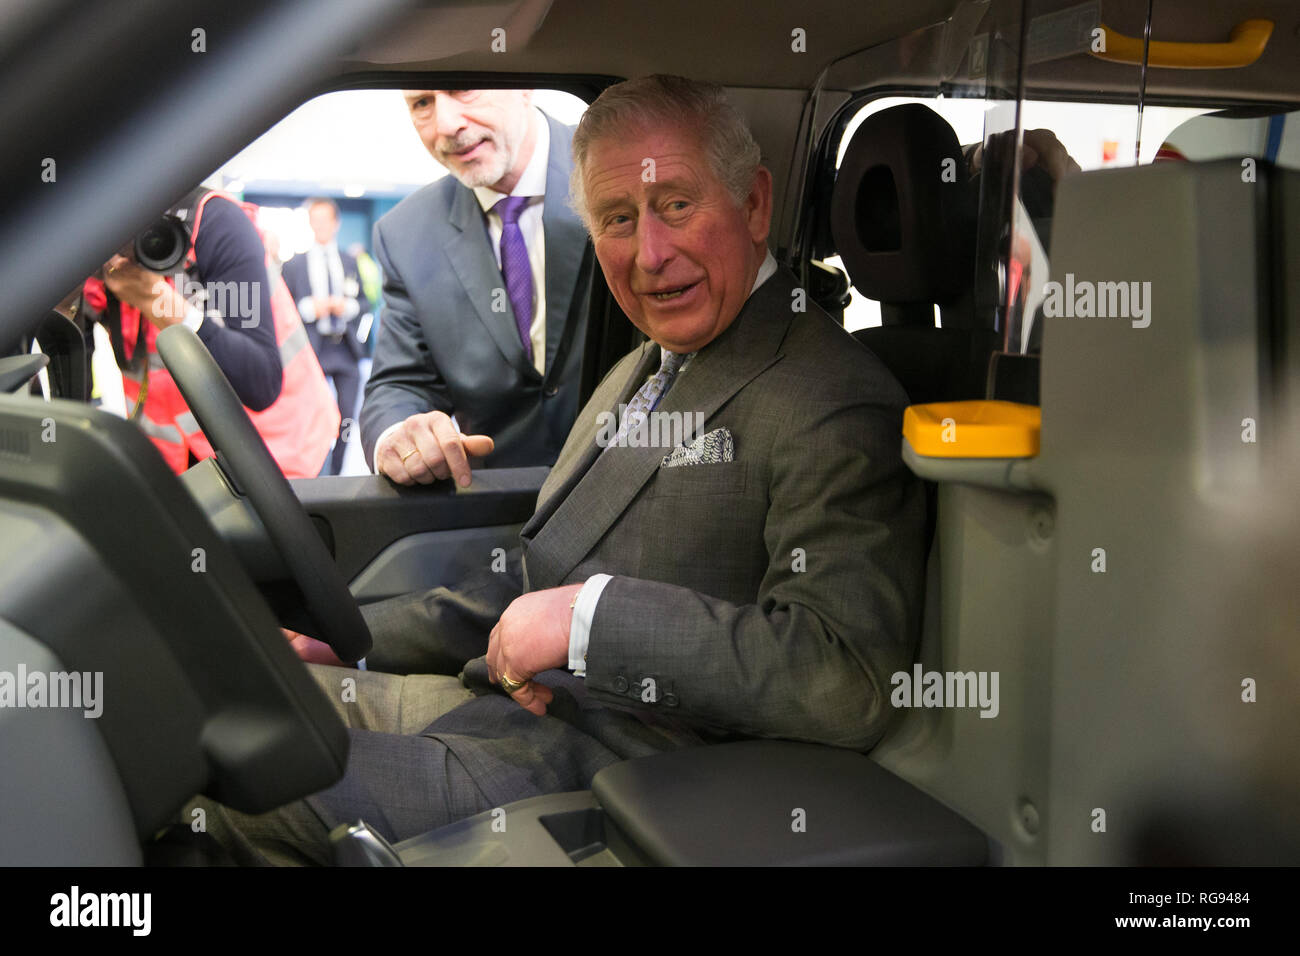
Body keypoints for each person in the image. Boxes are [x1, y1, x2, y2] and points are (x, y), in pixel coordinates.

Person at [196, 75, 926, 865]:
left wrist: (590, 618)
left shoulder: (829, 395)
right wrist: (354, 644)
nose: (650, 255)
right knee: (200, 710)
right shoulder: (647, 368)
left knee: (212, 782)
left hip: (607, 772)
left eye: (676, 205)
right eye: (617, 219)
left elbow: (845, 677)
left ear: (753, 205)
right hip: (496, 709)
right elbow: (534, 574)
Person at [359, 89, 591, 486]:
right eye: (422, 104)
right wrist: (399, 436)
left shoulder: (615, 167)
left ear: (523, 87)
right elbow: (401, 383)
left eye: (462, 89)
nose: (446, 124)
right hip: (495, 508)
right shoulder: (405, 234)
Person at [86, 189, 338, 477]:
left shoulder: (215, 223)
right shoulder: (105, 260)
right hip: (183, 467)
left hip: (281, 454)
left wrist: (155, 301)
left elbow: (260, 382)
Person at [281, 198, 370, 475]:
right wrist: (310, 308)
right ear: (309, 223)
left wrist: (347, 306)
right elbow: (282, 308)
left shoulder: (350, 261)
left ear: (336, 224)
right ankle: (315, 471)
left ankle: (337, 473)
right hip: (311, 351)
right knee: (311, 417)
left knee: (346, 418)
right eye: (315, 220)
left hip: (345, 349)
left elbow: (367, 303)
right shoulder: (294, 264)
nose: (320, 226)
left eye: (325, 220)